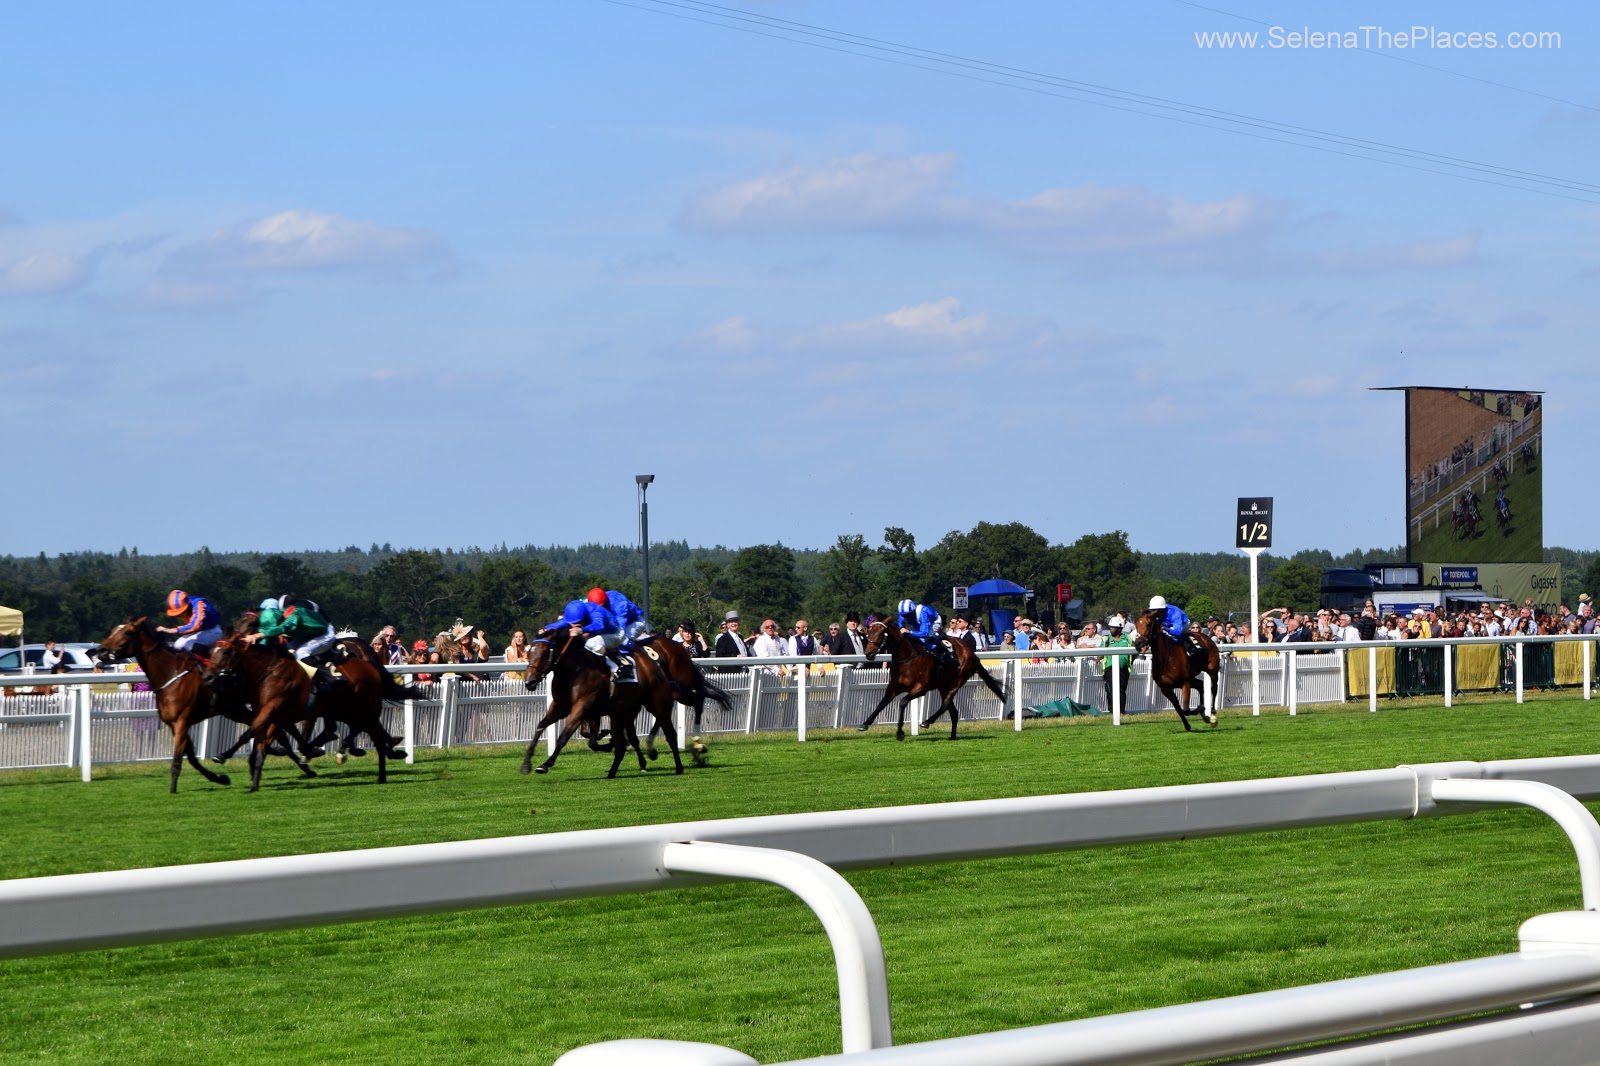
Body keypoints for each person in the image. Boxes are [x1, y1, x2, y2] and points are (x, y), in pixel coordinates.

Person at [540, 595, 630, 681]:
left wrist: (581, 630)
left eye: (577, 622)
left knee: (591, 643)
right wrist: (546, 628)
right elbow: (561, 623)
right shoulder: (576, 612)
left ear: (585, 616)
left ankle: (618, 666)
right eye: (572, 623)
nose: (573, 625)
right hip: (600, 634)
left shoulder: (596, 611)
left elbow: (599, 625)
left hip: (615, 634)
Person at [156, 589, 225, 655]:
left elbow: (195, 626)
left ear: (187, 605)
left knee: (188, 645)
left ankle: (209, 661)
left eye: (181, 613)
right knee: (177, 645)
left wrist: (171, 630)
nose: (180, 616)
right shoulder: (186, 604)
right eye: (177, 615)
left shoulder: (199, 604)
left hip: (213, 631)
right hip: (199, 632)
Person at [1101, 616, 1134, 709]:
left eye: (1113, 627)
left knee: (1121, 690)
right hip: (1109, 668)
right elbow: (1099, 654)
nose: (1110, 629)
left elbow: (1134, 652)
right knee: (1110, 690)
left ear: (1120, 628)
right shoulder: (1105, 639)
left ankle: (1121, 711)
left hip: (1123, 669)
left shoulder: (1128, 639)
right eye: (1110, 627)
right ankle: (1112, 711)